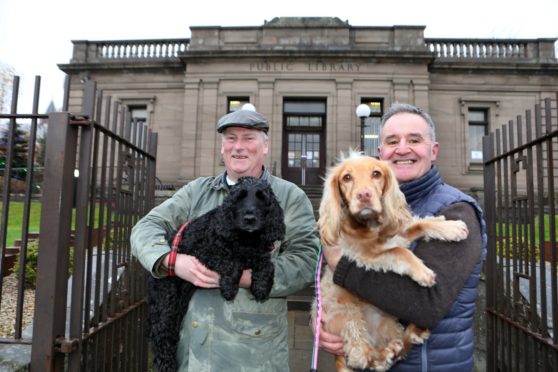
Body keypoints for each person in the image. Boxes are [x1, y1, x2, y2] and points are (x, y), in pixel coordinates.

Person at [131, 107, 319, 371]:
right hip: (191, 352)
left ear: (265, 147)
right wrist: (172, 261)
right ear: (222, 148)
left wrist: (239, 276)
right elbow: (146, 227)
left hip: (253, 352)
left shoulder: (290, 197)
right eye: (231, 138)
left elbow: (306, 261)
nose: (238, 147)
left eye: (248, 138)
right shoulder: (197, 191)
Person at [317, 102, 487, 371]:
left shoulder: (456, 211)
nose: (403, 149)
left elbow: (425, 307)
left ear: (433, 151)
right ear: (380, 154)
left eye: (414, 140)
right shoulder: (370, 214)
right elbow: (343, 292)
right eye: (392, 141)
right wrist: (330, 328)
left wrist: (341, 264)